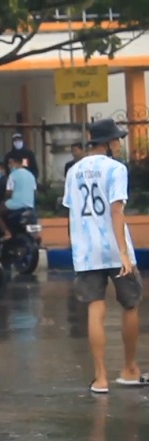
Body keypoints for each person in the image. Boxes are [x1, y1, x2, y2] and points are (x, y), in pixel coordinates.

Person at [62, 118, 142, 394]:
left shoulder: (73, 171)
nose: (119, 144)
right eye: (117, 140)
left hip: (86, 252)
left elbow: (71, 212)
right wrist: (123, 252)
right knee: (130, 305)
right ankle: (130, 369)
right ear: (107, 143)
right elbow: (116, 210)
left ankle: (100, 378)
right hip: (115, 247)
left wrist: (75, 248)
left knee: (95, 309)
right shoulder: (116, 169)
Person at [0, 154, 36, 241]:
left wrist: (3, 201)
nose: (9, 165)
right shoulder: (30, 175)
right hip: (29, 204)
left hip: (15, 203)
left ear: (16, 163)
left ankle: (6, 233)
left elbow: (9, 192)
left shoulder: (13, 175)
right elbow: (34, 191)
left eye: (10, 163)